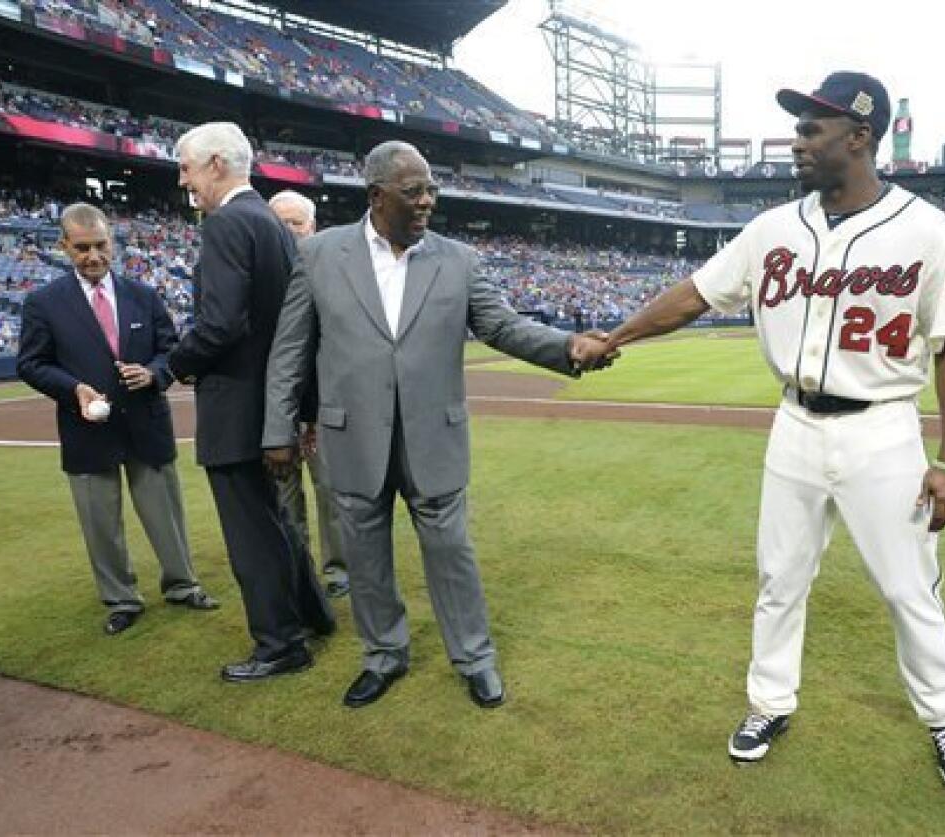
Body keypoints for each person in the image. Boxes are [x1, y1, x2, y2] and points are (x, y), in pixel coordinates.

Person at [604, 72, 945, 794]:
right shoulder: (773, 228)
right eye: (800, 127)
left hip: (882, 432)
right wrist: (618, 334)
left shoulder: (928, 230)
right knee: (780, 579)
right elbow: (693, 294)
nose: (798, 140)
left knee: (909, 587)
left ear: (860, 137)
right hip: (794, 426)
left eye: (813, 128)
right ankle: (769, 703)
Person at [263, 140, 618, 709]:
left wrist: (568, 346)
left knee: (452, 551)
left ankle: (475, 658)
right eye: (414, 192)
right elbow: (290, 351)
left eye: (430, 190)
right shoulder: (321, 255)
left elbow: (501, 326)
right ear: (377, 195)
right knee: (365, 555)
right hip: (351, 433)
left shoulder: (459, 259)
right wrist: (277, 430)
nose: (427, 201)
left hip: (434, 433)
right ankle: (383, 656)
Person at [168, 123, 334, 682]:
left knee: (251, 533)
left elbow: (220, 324)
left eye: (187, 166)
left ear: (216, 164)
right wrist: (300, 408)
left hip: (237, 409)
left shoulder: (227, 224)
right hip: (271, 405)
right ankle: (312, 614)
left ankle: (281, 644)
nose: (182, 178)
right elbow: (295, 331)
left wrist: (171, 365)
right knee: (277, 521)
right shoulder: (273, 225)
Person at [17, 202, 218, 635]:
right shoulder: (43, 303)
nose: (93, 256)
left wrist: (155, 373)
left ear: (114, 242)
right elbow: (31, 363)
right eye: (82, 247)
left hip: (146, 421)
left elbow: (170, 349)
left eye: (101, 245)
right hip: (86, 427)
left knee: (166, 514)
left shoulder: (143, 295)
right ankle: (121, 598)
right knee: (100, 523)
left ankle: (182, 585)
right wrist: (73, 389)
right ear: (64, 246)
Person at [267, 189, 350, 599]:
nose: (289, 230)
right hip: (276, 410)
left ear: (313, 227)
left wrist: (316, 413)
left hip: (324, 409)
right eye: (280, 223)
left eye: (296, 223)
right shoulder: (259, 276)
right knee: (284, 494)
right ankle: (298, 570)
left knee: (331, 491)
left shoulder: (333, 273)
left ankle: (339, 570)